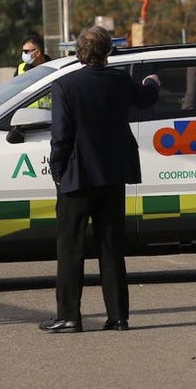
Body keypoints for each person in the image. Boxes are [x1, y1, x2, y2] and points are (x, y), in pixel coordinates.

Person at [40, 26, 161, 334]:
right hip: (113, 175)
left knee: (71, 249)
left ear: (79, 51)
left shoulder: (65, 86)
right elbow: (146, 98)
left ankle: (69, 316)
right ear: (109, 51)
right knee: (111, 247)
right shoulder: (120, 80)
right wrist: (152, 82)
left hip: (78, 177)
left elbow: (61, 137)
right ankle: (118, 316)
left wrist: (57, 172)